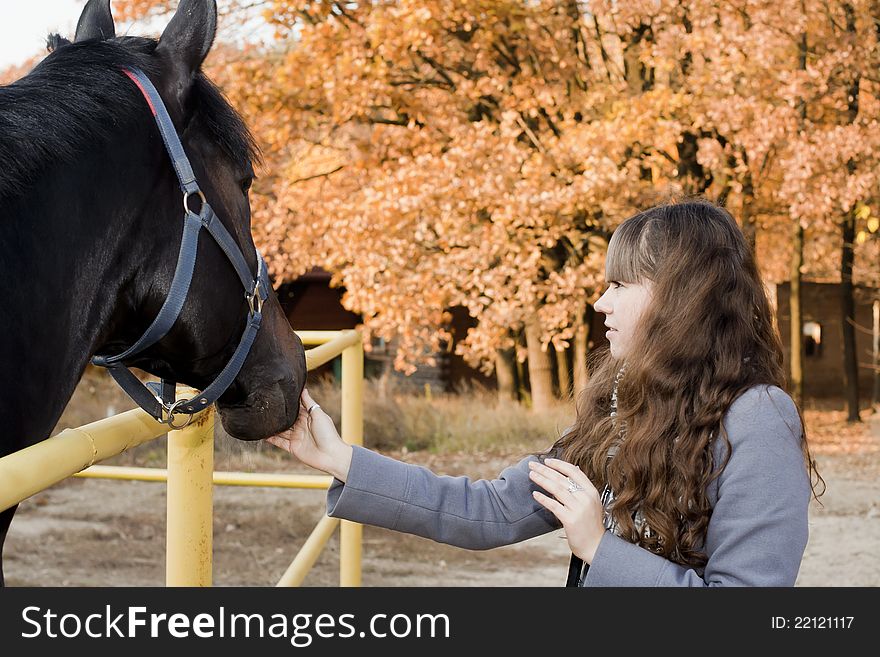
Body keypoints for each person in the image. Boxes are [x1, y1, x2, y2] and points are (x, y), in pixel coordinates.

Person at [267, 199, 824, 587]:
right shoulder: (623, 404)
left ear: (682, 298)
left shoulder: (758, 418)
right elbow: (487, 510)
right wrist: (335, 457)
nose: (601, 303)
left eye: (620, 285)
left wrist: (601, 550)